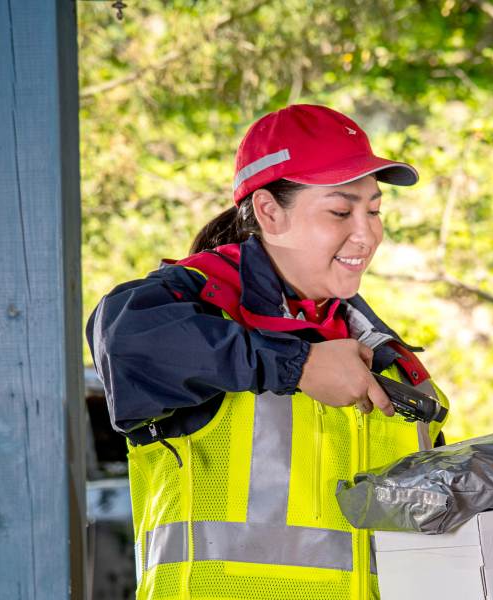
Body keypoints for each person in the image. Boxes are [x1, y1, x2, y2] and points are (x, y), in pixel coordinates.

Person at [87, 104, 450, 600]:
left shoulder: (389, 359)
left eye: (374, 210)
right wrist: (296, 365)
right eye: (341, 211)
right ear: (269, 212)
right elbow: (124, 339)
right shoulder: (194, 304)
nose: (366, 233)